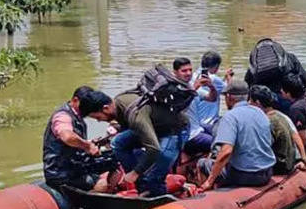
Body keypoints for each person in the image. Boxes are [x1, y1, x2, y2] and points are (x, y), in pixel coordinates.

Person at [111, 67, 192, 196]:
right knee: (118, 142)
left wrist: (135, 172)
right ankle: (143, 185)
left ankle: (158, 196)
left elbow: (154, 149)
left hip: (175, 130)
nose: (99, 121)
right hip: (155, 126)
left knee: (155, 175)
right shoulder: (120, 101)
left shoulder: (133, 113)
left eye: (98, 117)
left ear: (105, 108)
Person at [198, 81, 277, 189]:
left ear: (229, 97)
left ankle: (206, 194)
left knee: (202, 163)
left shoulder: (230, 117)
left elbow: (226, 152)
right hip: (267, 171)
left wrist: (209, 181)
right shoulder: (261, 113)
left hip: (245, 175)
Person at [42, 86, 118, 191]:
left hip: (74, 166)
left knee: (113, 159)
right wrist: (87, 146)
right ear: (75, 100)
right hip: (61, 173)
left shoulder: (77, 116)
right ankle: (97, 199)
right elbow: (67, 137)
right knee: (108, 171)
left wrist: (90, 142)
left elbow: (72, 142)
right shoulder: (63, 116)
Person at [182, 51, 231, 157]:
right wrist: (228, 79)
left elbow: (211, 98)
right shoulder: (188, 87)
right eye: (184, 71)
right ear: (216, 66)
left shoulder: (194, 79)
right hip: (206, 124)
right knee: (224, 143)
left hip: (200, 124)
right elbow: (231, 91)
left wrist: (211, 86)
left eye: (189, 70)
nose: (188, 73)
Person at [251, 85, 306, 175]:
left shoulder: (266, 121)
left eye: (250, 101)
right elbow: (295, 136)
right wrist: (303, 159)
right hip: (288, 163)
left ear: (257, 103)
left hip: (279, 167)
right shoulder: (281, 116)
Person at [282, 76, 306, 157]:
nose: (280, 91)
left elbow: (303, 138)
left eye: (282, 90)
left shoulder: (296, 109)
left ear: (288, 93)